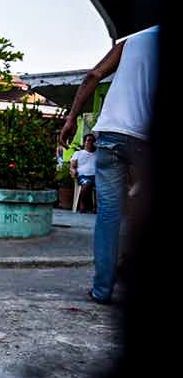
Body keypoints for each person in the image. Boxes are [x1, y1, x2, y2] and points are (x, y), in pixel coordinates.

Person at [60, 25, 159, 305]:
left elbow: (94, 75)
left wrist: (71, 118)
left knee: (108, 217)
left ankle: (102, 289)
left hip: (111, 136)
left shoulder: (131, 41)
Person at [70, 133, 97, 213]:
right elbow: (72, 166)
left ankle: (97, 207)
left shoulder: (97, 154)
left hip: (96, 177)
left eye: (93, 141)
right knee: (87, 183)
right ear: (84, 142)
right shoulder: (78, 153)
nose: (91, 142)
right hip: (83, 177)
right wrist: (73, 170)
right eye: (88, 140)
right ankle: (82, 203)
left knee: (103, 186)